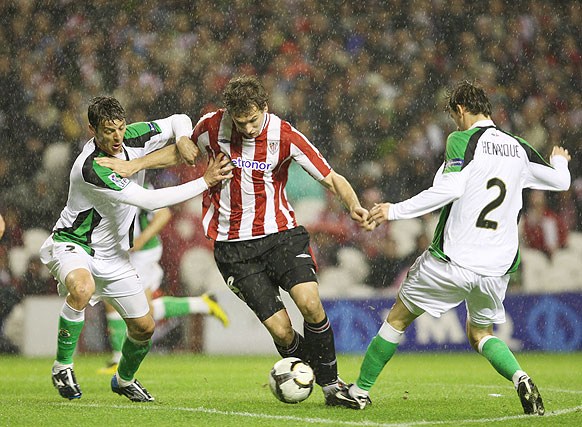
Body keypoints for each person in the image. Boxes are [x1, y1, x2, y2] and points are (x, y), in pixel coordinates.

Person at [95, 75, 370, 408]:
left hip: (281, 236)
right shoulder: (212, 127)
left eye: (253, 120)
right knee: (282, 331)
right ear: (229, 114)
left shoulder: (284, 135)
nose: (248, 128)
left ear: (264, 108)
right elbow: (182, 153)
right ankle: (318, 373)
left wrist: (354, 206)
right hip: (234, 249)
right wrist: (134, 165)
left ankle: (331, 386)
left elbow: (331, 178)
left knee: (310, 303)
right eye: (240, 123)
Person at [340, 81, 571, 415]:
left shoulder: (461, 140)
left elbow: (449, 188)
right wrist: (560, 161)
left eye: (453, 117)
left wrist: (395, 210)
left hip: (454, 259)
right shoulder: (518, 146)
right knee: (480, 334)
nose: (454, 124)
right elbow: (561, 181)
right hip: (497, 268)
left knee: (398, 318)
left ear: (460, 110)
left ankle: (359, 391)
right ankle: (519, 376)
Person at [39, 96, 233, 402]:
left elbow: (178, 119)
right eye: (108, 131)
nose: (117, 137)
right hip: (74, 244)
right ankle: (62, 366)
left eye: (120, 128)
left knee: (144, 328)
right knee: (82, 288)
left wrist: (183, 137)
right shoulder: (92, 167)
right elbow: (149, 201)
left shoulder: (132, 135)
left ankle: (124, 379)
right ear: (92, 130)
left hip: (115, 256)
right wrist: (205, 181)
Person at [99, 181, 229, 375]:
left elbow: (163, 214)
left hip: (142, 254)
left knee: (142, 311)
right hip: (119, 252)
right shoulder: (105, 181)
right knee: (112, 301)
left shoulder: (140, 184)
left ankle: (202, 305)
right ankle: (118, 359)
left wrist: (140, 240)